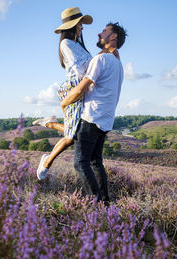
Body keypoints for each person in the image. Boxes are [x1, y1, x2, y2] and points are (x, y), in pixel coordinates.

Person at [34, 7, 117, 180]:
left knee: (76, 133)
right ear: (73, 25)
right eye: (80, 24)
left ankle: (50, 125)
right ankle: (47, 161)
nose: (82, 28)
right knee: (73, 136)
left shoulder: (78, 45)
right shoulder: (66, 44)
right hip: (74, 88)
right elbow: (81, 69)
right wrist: (98, 63)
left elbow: (90, 67)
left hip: (82, 88)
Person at [60, 22, 127, 205]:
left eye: (104, 31)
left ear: (113, 37)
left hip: (91, 118)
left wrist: (64, 103)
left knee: (80, 163)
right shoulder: (118, 65)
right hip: (105, 121)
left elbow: (81, 89)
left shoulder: (101, 60)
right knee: (96, 162)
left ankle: (96, 205)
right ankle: (105, 204)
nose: (99, 33)